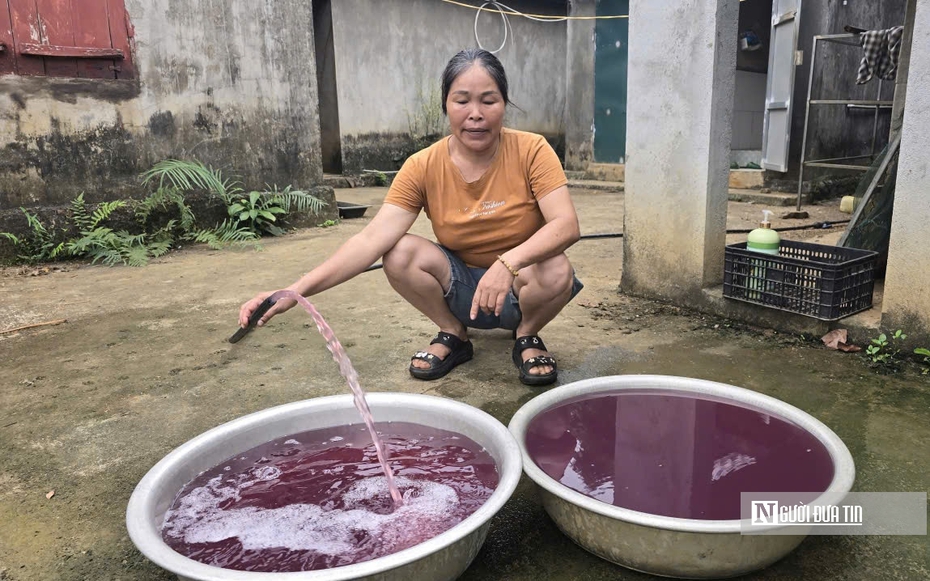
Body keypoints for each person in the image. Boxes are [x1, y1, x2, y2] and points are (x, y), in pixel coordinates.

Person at [239, 48, 582, 386]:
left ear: (504, 105)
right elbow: (371, 240)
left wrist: (507, 263)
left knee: (556, 267)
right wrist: (293, 292)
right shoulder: (422, 165)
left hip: (521, 288)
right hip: (460, 289)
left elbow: (565, 225)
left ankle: (527, 335)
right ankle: (454, 333)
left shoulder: (532, 150)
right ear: (445, 105)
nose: (475, 114)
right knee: (399, 252)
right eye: (462, 101)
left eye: (488, 101)